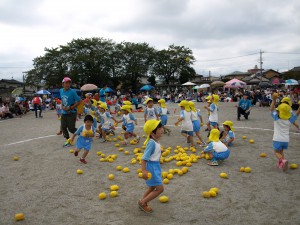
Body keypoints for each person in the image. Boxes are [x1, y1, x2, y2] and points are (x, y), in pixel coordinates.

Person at [138, 120, 164, 213]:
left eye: (161, 128)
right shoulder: (152, 143)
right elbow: (144, 158)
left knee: (152, 187)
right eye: (159, 128)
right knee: (160, 189)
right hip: (151, 168)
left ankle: (142, 201)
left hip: (155, 166)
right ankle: (143, 202)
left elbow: (153, 154)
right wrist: (144, 170)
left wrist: (160, 153)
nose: (162, 130)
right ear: (153, 133)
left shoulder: (156, 141)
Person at [270, 95, 300, 171]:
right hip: (286, 140)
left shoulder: (276, 118)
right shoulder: (290, 120)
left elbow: (271, 109)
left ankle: (283, 160)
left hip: (277, 138)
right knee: (281, 151)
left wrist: (274, 100)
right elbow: (297, 113)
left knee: (276, 152)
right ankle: (282, 164)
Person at [60, 77, 81, 146]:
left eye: (69, 83)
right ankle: (68, 140)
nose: (68, 84)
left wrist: (71, 107)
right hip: (64, 112)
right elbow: (62, 100)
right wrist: (62, 106)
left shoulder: (72, 91)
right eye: (66, 83)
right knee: (63, 127)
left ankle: (83, 133)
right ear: (63, 84)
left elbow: (79, 101)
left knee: (71, 129)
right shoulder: (61, 91)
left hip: (72, 113)